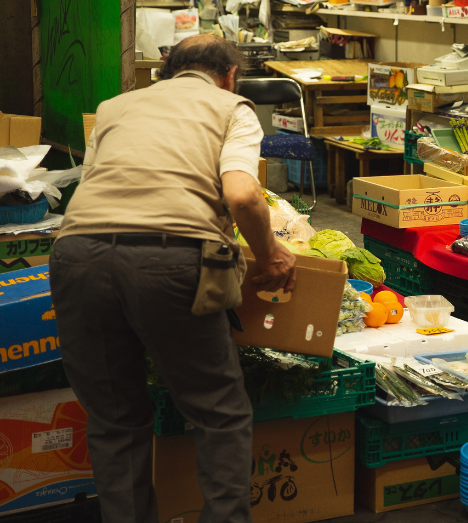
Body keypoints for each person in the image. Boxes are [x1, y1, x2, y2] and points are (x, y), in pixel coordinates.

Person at [50, 35, 297, 523]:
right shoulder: (231, 107)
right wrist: (271, 257)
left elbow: (99, 185)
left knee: (114, 420)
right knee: (219, 412)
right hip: (170, 259)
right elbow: (243, 195)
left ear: (167, 73)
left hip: (77, 256)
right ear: (229, 75)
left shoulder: (114, 108)